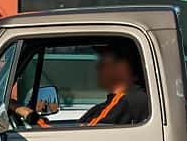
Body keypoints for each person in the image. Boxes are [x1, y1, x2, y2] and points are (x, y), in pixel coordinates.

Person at [12, 41, 150, 127]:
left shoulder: (125, 102)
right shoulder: (123, 101)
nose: (98, 67)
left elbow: (77, 138)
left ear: (122, 68)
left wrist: (27, 113)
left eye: (104, 62)